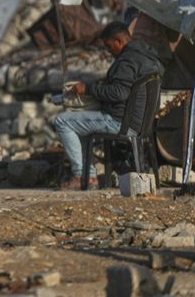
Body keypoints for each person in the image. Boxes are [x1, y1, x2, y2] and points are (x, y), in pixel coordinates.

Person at [53, 21, 164, 190]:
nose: (109, 51)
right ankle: (87, 175)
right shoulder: (147, 57)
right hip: (140, 124)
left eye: (109, 46)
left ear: (119, 41)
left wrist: (88, 88)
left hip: (121, 122)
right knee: (78, 122)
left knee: (63, 121)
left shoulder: (127, 60)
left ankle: (84, 176)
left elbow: (119, 93)